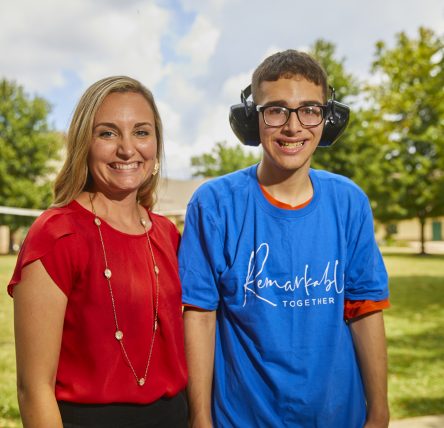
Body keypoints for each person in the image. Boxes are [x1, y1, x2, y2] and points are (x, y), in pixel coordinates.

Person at [179, 50, 390, 428]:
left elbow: (365, 311)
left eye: (309, 109)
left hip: (338, 416)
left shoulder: (349, 202)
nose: (294, 127)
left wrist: (379, 411)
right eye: (276, 110)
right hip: (241, 419)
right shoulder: (214, 205)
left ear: (329, 118)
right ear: (251, 119)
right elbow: (200, 316)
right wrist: (200, 418)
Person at [8, 76, 188, 427]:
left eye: (141, 132)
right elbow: (34, 389)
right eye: (107, 133)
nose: (126, 149)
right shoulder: (57, 235)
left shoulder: (168, 234)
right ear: (83, 144)